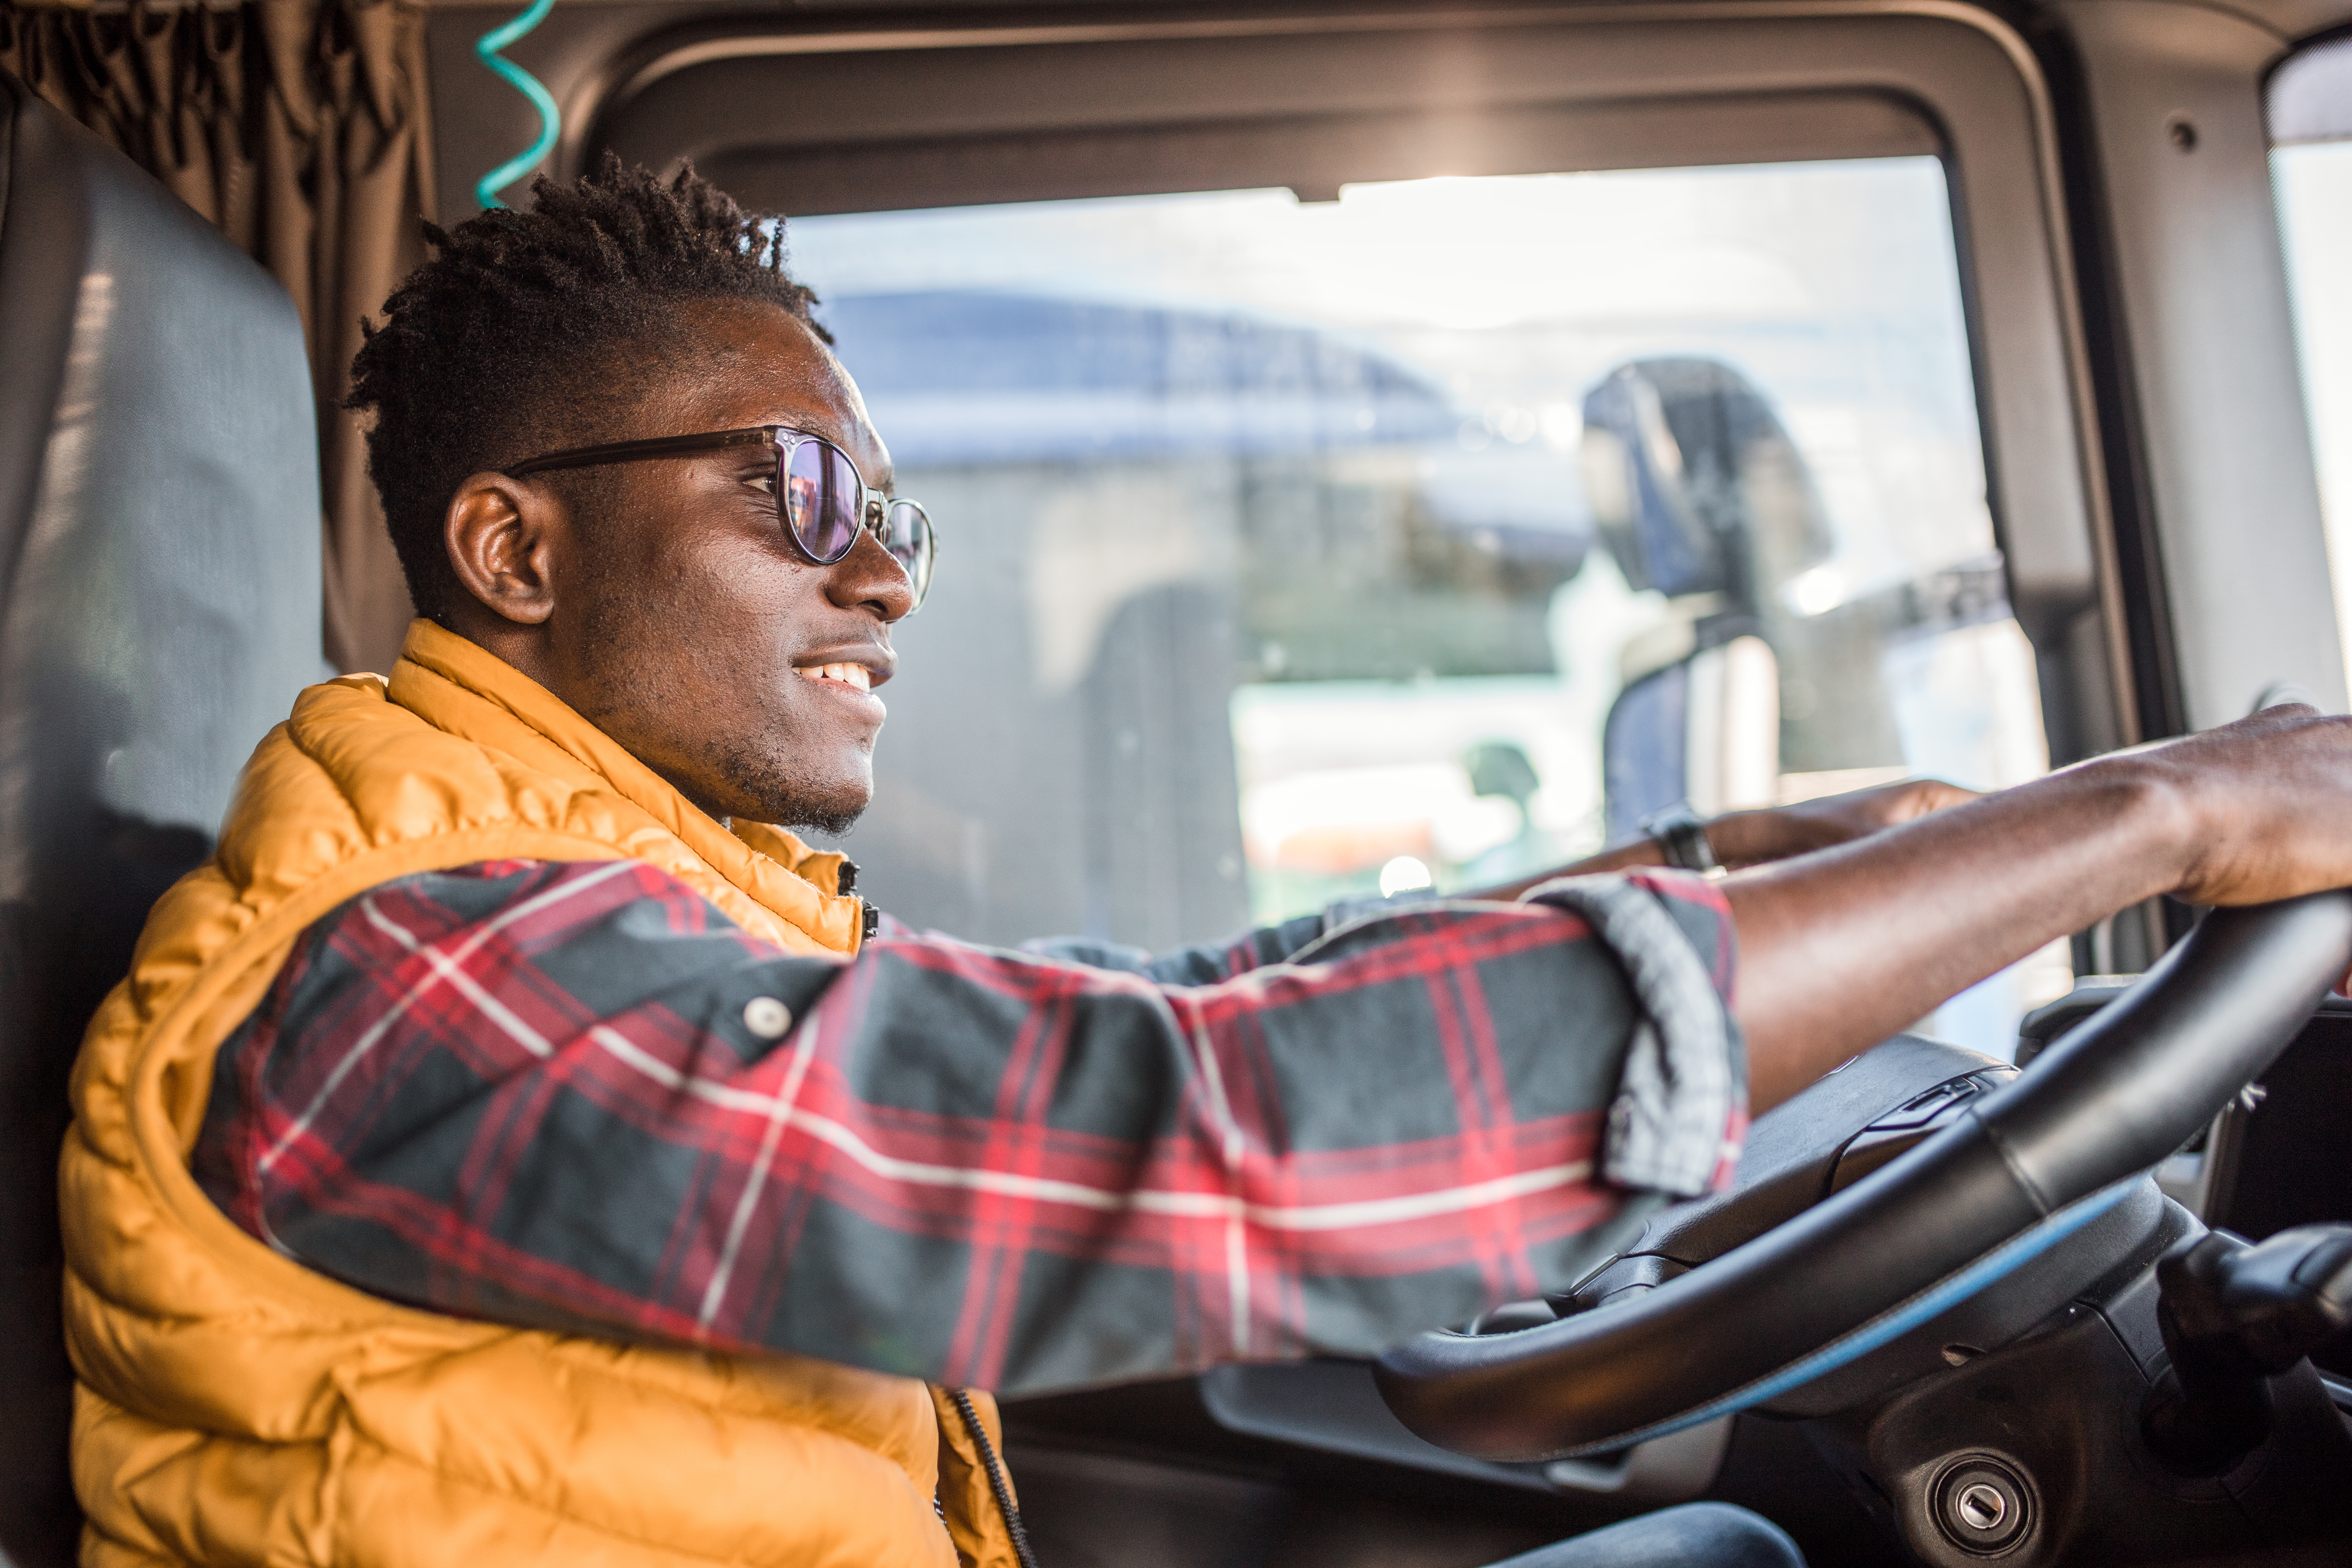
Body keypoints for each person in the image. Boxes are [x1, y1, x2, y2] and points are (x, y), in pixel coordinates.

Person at [55, 160, 2352, 1568]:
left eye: (894, 511)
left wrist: (1709, 852)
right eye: (804, 490)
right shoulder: (414, 983)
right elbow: (1197, 1126)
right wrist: (2159, 813)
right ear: (511, 550)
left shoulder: (620, 903)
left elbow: (1157, 1008)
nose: (888, 576)